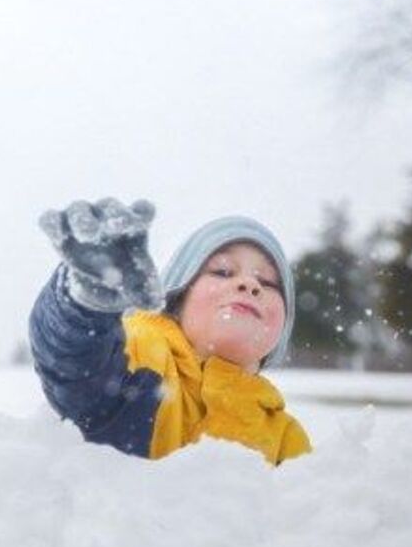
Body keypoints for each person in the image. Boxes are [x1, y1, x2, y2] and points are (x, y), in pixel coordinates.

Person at [29, 198, 312, 465]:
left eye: (268, 283)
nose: (250, 285)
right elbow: (76, 372)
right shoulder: (139, 352)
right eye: (223, 272)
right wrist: (84, 309)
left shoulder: (285, 438)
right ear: (178, 300)